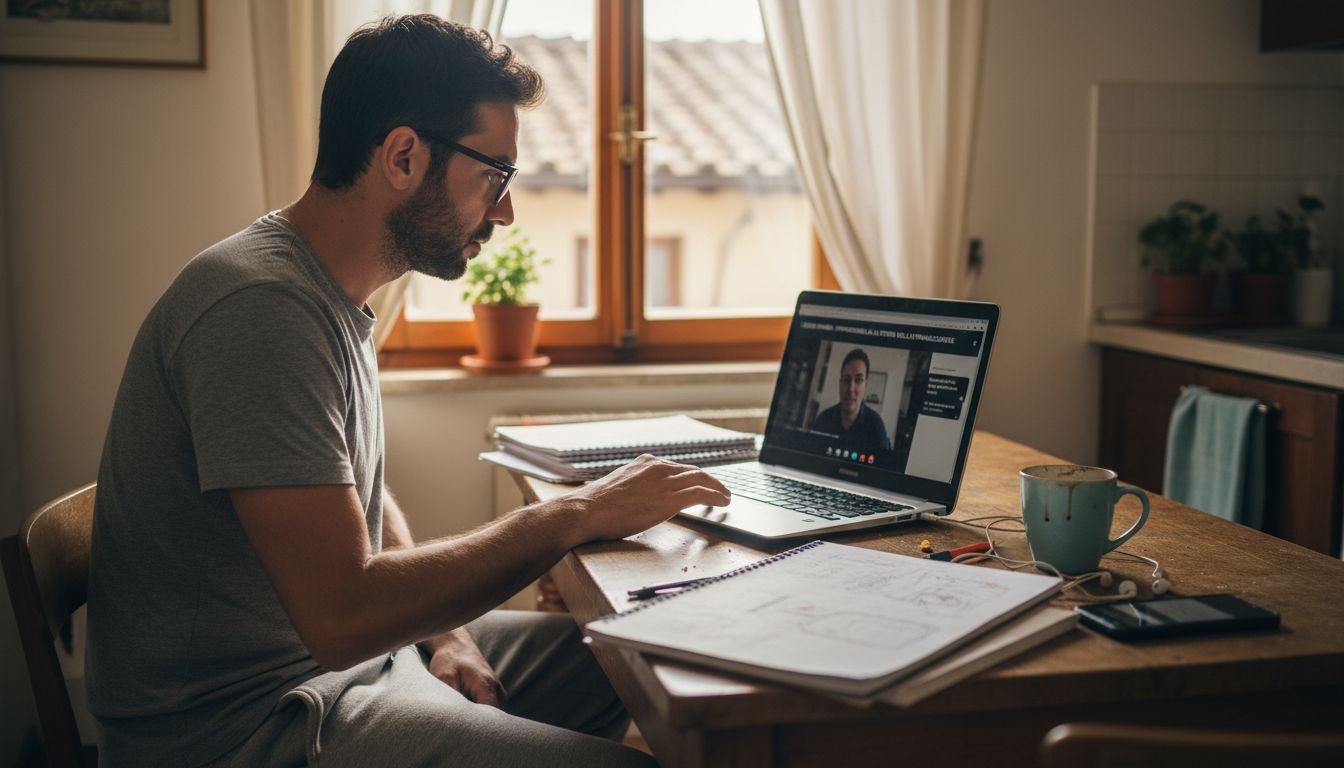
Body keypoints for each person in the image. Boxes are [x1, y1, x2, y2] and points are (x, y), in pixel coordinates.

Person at [85, 15, 729, 768]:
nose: (504, 210)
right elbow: (341, 616)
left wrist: (446, 633)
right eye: (495, 176)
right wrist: (572, 515)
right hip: (246, 725)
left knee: (627, 659)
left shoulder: (324, 292)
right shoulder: (261, 309)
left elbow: (347, 494)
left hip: (339, 670)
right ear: (402, 156)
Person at [812, 348, 892, 456]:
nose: (851, 388)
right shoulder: (823, 419)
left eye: (858, 380)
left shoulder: (876, 425)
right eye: (846, 380)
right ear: (840, 384)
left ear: (865, 385)